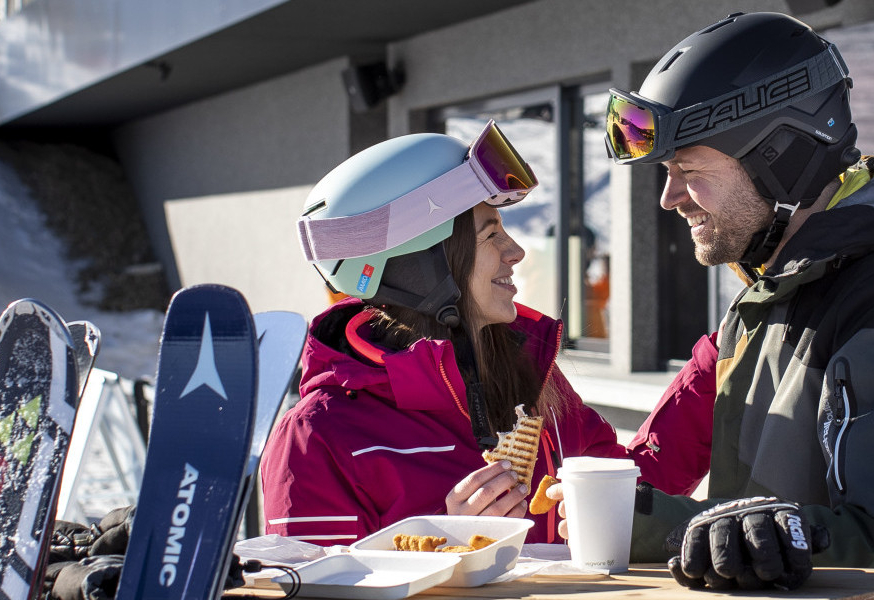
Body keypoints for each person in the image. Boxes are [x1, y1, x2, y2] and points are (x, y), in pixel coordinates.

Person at [558, 11, 874, 599]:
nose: (670, 198)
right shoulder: (772, 297)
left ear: (781, 159)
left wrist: (666, 531)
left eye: (688, 169)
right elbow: (749, 516)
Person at [261, 122, 628, 545]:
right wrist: (446, 555)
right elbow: (315, 587)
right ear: (422, 265)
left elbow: (632, 497)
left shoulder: (533, 381)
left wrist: (712, 365)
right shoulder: (318, 438)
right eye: (491, 234)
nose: (517, 251)